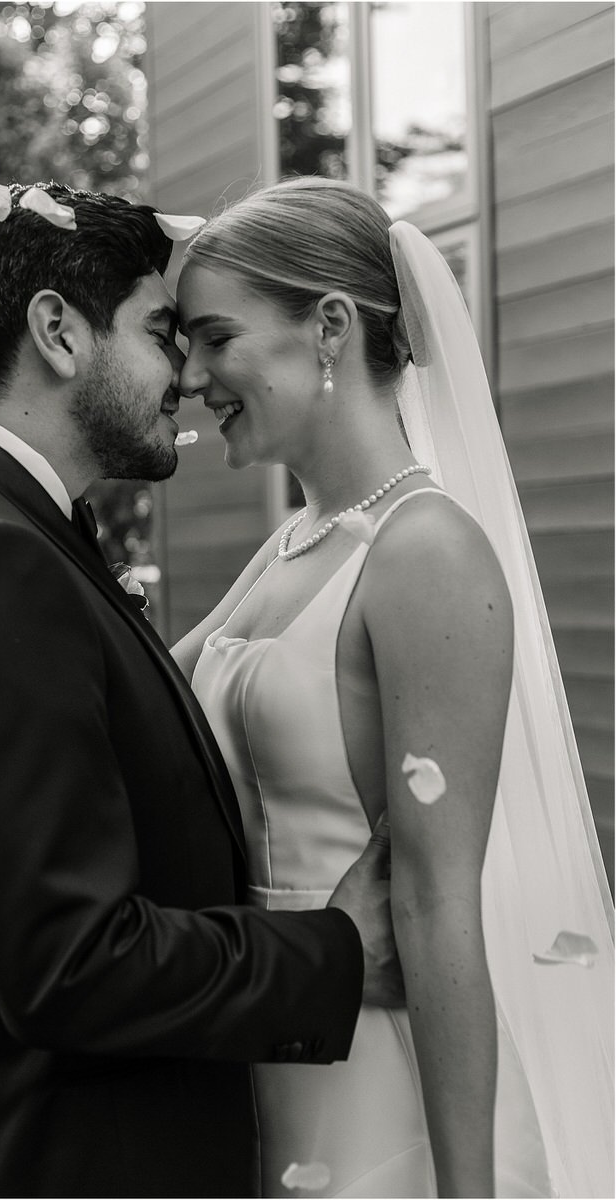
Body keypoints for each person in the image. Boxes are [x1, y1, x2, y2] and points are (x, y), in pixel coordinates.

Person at [0, 180, 404, 1199]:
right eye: (159, 332)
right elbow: (69, 961)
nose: (186, 372)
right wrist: (334, 955)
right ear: (57, 331)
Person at [173, 177, 614, 1198]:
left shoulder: (428, 554)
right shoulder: (295, 543)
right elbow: (137, 695)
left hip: (388, 1090)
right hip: (277, 1045)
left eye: (213, 336)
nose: (190, 374)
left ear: (328, 327)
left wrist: (466, 1188)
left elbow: (432, 901)